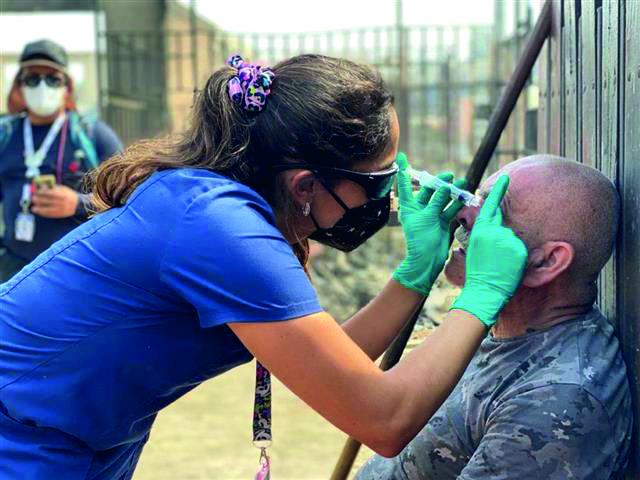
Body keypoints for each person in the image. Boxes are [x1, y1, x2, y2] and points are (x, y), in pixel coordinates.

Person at [0, 54, 528, 479]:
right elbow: (383, 419)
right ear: (304, 185)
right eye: (376, 183)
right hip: (21, 436)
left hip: (80, 435)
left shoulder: (221, 206)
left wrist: (415, 275)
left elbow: (328, 365)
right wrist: (480, 293)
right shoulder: (220, 230)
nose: (386, 198)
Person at [357, 155, 632, 480]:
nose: (461, 215)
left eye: (494, 210)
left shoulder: (557, 401)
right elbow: (360, 391)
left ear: (547, 262)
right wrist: (414, 275)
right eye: (477, 201)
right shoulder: (496, 326)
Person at [0, 39, 123, 282]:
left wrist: (77, 203)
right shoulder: (6, 136)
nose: (42, 87)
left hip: (76, 268)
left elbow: (127, 198)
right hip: (13, 269)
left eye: (53, 79)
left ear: (67, 87)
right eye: (32, 79)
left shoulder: (93, 135)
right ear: (19, 87)